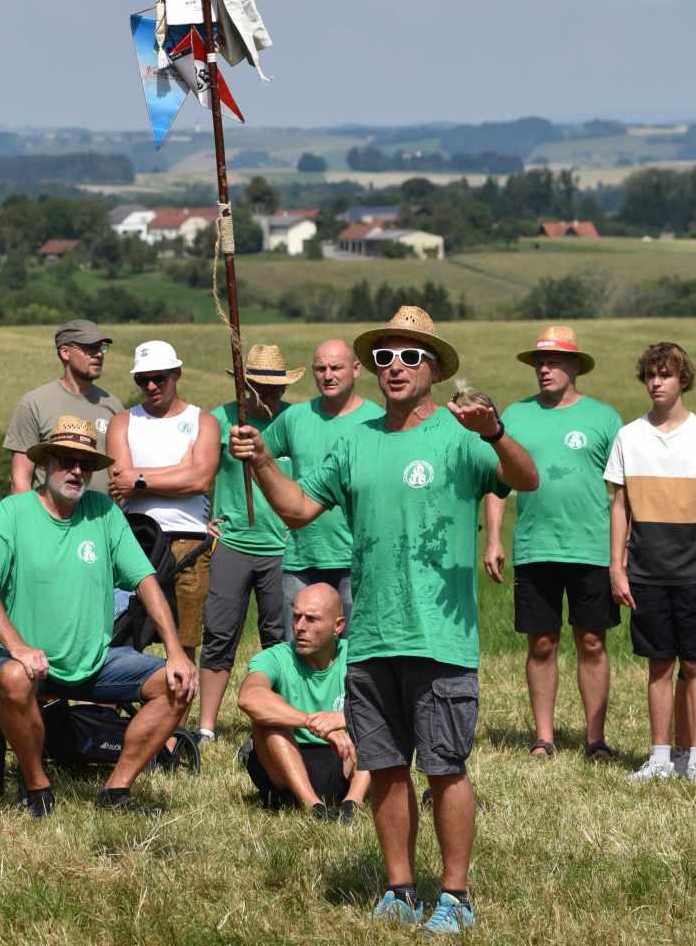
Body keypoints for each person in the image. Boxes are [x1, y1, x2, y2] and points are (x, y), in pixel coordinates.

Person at [230, 305, 538, 935]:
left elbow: (524, 478)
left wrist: (496, 432)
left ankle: (455, 896)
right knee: (388, 767)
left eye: (409, 356)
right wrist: (261, 460)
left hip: (440, 639)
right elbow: (296, 510)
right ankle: (399, 888)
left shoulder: (460, 435)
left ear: (433, 368)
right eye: (385, 357)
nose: (395, 367)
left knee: (445, 769)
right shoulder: (355, 440)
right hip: (370, 637)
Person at [0, 416, 197, 816]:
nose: (76, 470)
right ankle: (37, 787)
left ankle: (117, 790)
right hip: (20, 659)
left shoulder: (104, 512)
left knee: (178, 684)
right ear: (46, 463)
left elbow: (146, 582)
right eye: (67, 460)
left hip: (94, 660)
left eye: (86, 463)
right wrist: (17, 647)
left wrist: (176, 651)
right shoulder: (12, 512)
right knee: (16, 679)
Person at [480, 326, 623, 761]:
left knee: (592, 642)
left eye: (554, 361)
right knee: (541, 643)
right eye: (539, 362)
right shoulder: (516, 416)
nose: (545, 369)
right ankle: (543, 738)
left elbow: (622, 490)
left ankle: (596, 739)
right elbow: (498, 482)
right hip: (535, 545)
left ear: (575, 366)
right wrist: (493, 538)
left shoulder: (604, 418)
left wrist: (622, 550)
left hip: (591, 546)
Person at [605, 343, 696, 786]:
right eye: (650, 375)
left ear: (684, 380)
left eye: (666, 375)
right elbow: (619, 506)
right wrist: (616, 567)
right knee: (658, 666)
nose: (656, 382)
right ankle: (660, 757)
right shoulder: (628, 436)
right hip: (646, 571)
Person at [197, 344, 300, 743]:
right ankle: (206, 728)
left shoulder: (295, 421)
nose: (268, 396)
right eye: (260, 388)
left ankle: (276, 721)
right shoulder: (220, 420)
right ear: (244, 387)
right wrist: (201, 519)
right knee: (219, 634)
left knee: (281, 637)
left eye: (276, 389)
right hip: (232, 542)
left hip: (283, 546)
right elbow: (200, 473)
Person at [107, 341, 218, 663]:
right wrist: (181, 469)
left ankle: (182, 696)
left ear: (177, 374)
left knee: (185, 639)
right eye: (143, 380)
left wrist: (140, 479)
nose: (151, 386)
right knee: (124, 630)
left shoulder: (204, 421)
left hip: (189, 541)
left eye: (159, 378)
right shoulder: (123, 421)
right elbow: (120, 482)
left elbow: (201, 481)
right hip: (136, 537)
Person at [261, 339, 382, 630]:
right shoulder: (294, 418)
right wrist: (250, 513)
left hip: (357, 559)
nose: (328, 376)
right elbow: (257, 459)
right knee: (300, 647)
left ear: (356, 370)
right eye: (320, 369)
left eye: (336, 368)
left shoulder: (378, 420)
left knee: (355, 649)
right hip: (301, 558)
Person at [237, 582, 368, 820]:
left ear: (338, 626)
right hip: (285, 766)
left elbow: (388, 707)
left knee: (376, 720)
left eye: (311, 619)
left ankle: (353, 803)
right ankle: (313, 807)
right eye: (296, 617)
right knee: (267, 717)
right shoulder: (276, 657)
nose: (299, 627)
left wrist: (342, 718)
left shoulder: (358, 657)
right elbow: (248, 697)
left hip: (344, 762)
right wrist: (312, 722)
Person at [4, 320, 124, 496]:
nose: (99, 354)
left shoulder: (114, 406)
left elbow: (120, 475)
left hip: (103, 512)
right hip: (49, 513)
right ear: (65, 352)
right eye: (90, 348)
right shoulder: (35, 403)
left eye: (101, 347)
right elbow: (20, 478)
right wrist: (28, 513)